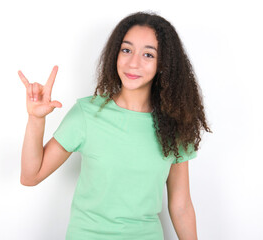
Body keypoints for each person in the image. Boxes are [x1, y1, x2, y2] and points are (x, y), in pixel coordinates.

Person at [19, 11, 211, 240]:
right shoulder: (87, 114)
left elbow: (181, 206)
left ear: (163, 64)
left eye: (148, 55)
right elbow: (30, 177)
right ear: (115, 54)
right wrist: (36, 119)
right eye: (126, 50)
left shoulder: (173, 125)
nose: (133, 63)